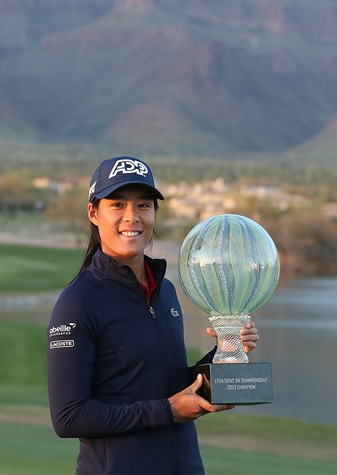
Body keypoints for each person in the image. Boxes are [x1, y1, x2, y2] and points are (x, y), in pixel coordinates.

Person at [47, 156, 260, 474]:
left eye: (143, 206)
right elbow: (69, 417)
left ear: (154, 213)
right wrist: (169, 411)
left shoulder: (166, 291)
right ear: (94, 213)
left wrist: (225, 356)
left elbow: (165, 384)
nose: (132, 217)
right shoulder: (79, 302)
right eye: (117, 205)